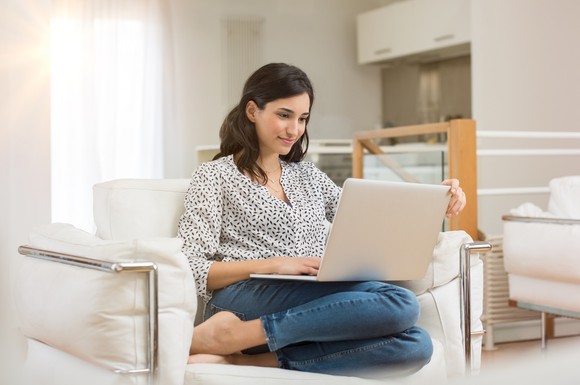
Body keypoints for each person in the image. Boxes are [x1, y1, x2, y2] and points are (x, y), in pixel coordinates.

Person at [177, 62, 466, 377]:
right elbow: (191, 267)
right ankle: (235, 332)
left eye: (302, 119)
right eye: (284, 115)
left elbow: (372, 217)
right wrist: (272, 265)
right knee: (401, 303)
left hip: (313, 295)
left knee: (416, 345)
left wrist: (436, 200)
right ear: (252, 111)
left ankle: (240, 356)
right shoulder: (214, 175)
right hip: (244, 298)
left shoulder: (308, 176)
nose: (294, 130)